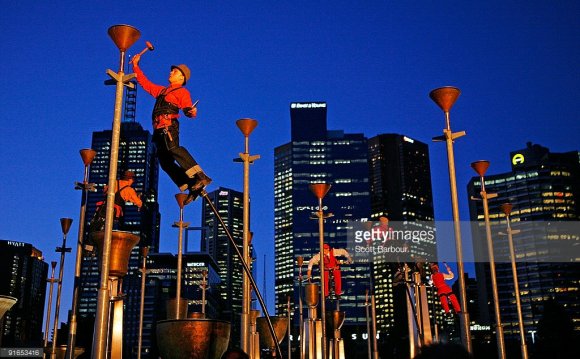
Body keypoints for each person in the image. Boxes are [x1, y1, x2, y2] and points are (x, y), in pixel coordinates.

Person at [132, 54, 211, 204]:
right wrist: (136, 65)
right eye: (171, 71)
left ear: (181, 78)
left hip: (168, 127)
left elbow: (188, 108)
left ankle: (201, 176)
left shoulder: (181, 92)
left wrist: (191, 112)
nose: (170, 73)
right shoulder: (162, 91)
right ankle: (190, 185)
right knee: (165, 162)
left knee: (174, 149)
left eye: (174, 72)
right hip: (158, 131)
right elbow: (145, 83)